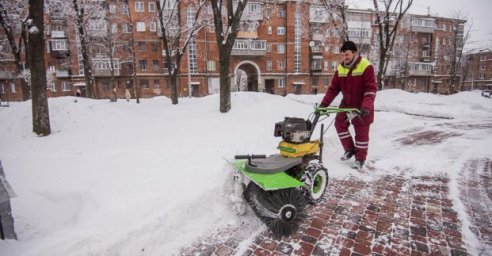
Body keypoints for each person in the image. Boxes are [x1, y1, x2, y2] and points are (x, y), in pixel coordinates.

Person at [319, 41, 377, 170]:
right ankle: (350, 149)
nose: (344, 58)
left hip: (361, 106)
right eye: (342, 55)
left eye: (347, 55)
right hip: (347, 103)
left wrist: (366, 107)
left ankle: (360, 159)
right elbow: (333, 88)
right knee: (339, 124)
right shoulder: (340, 68)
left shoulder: (366, 66)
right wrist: (324, 104)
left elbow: (370, 89)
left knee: (361, 132)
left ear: (354, 53)